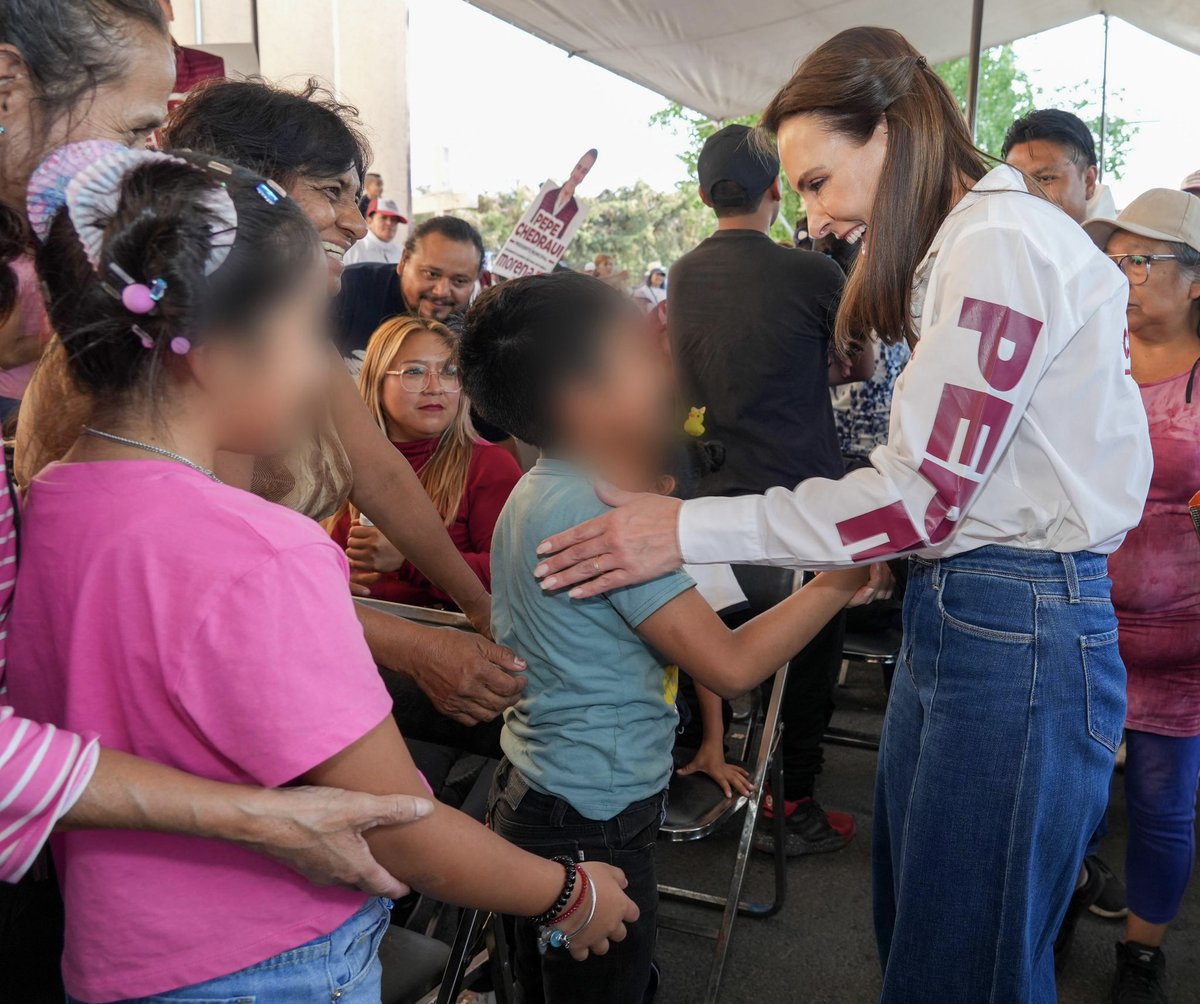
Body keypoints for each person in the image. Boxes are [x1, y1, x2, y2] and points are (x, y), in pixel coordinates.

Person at [531, 27, 1153, 1003]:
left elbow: (921, 494)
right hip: (978, 604)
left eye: (820, 181)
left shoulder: (999, 243)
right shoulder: (976, 244)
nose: (813, 215)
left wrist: (686, 528)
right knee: (928, 933)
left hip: (1015, 615)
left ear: (893, 133)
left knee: (962, 959)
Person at [8, 141, 637, 1004]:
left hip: (117, 959)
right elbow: (392, 825)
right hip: (275, 962)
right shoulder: (264, 548)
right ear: (214, 350)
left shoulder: (42, 502)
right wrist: (568, 892)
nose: (321, 372)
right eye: (311, 333)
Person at [0, 0, 429, 959]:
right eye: (139, 127)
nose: (148, 159)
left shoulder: (96, 461)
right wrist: (562, 895)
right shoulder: (169, 439)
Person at [16, 74, 526, 729]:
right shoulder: (183, 362)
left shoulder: (274, 335)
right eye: (331, 191)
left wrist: (474, 600)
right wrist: (416, 646)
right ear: (237, 192)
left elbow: (379, 474)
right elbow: (213, 576)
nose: (356, 219)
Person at [460, 270, 867, 1004]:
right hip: (591, 820)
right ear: (582, 401)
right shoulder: (597, 516)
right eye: (643, 352)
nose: (671, 364)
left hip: (543, 795)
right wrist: (838, 580)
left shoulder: (547, 487)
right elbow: (732, 664)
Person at [669, 122, 862, 856]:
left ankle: (709, 761)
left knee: (708, 637)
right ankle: (796, 800)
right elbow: (857, 365)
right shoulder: (814, 273)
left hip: (705, 497)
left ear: (701, 193)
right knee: (809, 649)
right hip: (798, 493)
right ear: (778, 190)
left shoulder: (684, 272)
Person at [1005, 107, 1130, 938]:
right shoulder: (1009, 273)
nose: (1034, 197)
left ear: (1089, 181)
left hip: (1077, 574)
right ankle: (1071, 878)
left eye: (1049, 177)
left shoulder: (1098, 281)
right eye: (1018, 182)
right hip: (1037, 569)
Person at [1083, 189, 1200, 1004]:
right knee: (1073, 796)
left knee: (1162, 806)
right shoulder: (1089, 351)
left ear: (1194, 281)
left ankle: (1141, 952)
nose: (1120, 275)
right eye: (1113, 259)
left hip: (1183, 640)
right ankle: (1054, 909)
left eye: (1140, 260)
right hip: (1081, 620)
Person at [329, 315, 521, 607]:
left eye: (449, 372)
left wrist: (410, 561)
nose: (435, 387)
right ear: (377, 382)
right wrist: (330, 575)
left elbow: (513, 576)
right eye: (415, 372)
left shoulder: (490, 464)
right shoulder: (340, 462)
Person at [335, 215, 485, 363]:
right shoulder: (348, 288)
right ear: (403, 261)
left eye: (459, 281)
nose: (442, 291)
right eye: (431, 274)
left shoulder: (474, 329)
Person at [1002, 109, 1098, 225]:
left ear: (1088, 182)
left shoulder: (1119, 241)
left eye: (1045, 179)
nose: (1025, 193)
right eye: (1015, 181)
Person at [157, 0, 225, 105]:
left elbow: (218, 116)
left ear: (170, 9)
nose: (148, 8)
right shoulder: (124, 71)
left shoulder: (209, 66)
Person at [535, 148, 596, 237]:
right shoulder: (549, 194)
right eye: (578, 167)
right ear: (573, 168)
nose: (578, 174)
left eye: (584, 172)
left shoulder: (575, 209)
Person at [343, 196, 407, 266]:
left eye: (394, 220)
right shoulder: (352, 249)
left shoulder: (399, 252)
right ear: (369, 221)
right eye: (384, 217)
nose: (389, 223)